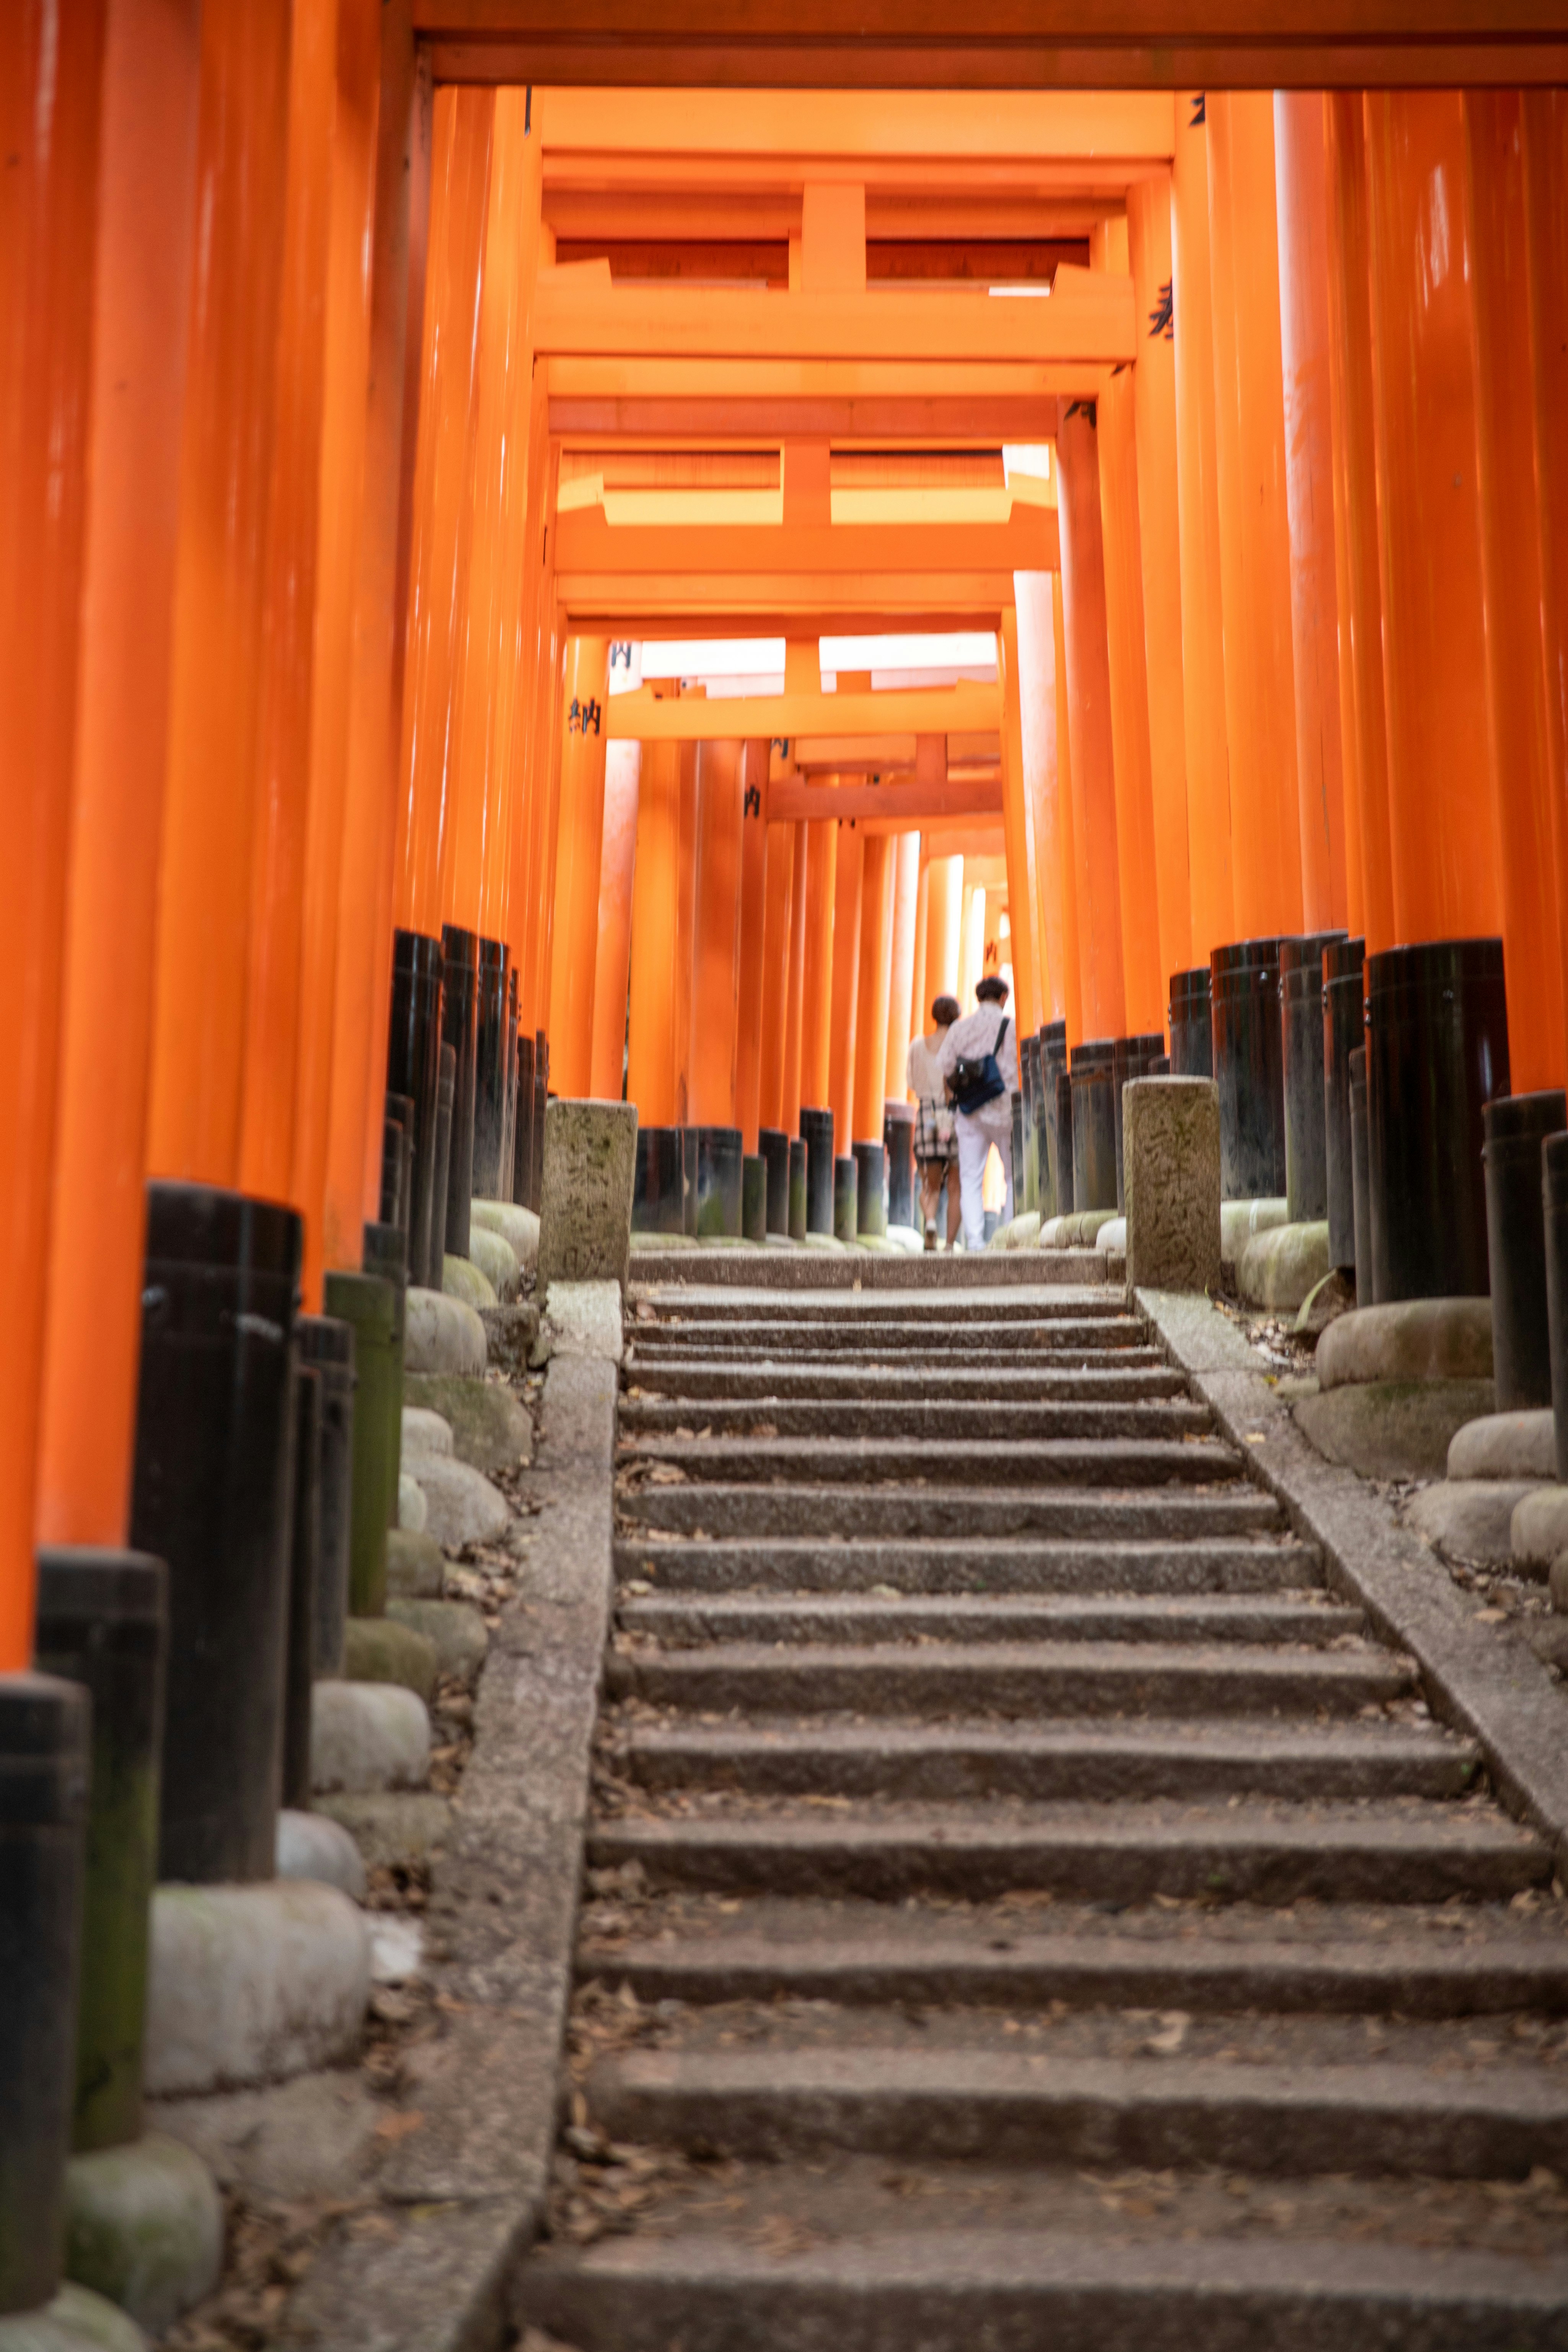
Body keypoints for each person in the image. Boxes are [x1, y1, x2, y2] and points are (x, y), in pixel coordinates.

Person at [939, 973, 1017, 1250]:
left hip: (969, 1110)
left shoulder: (960, 1029)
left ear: (979, 998)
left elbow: (945, 1066)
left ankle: (974, 1242)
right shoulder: (1011, 1027)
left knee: (971, 1177)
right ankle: (1010, 1237)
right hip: (1003, 1109)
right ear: (1003, 998)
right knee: (1012, 1175)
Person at [906, 995, 962, 1250]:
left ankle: (930, 1220)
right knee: (956, 1186)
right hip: (953, 1115)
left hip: (928, 1116)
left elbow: (910, 1081)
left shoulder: (917, 1046)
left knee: (930, 1183)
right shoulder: (959, 1045)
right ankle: (950, 1245)